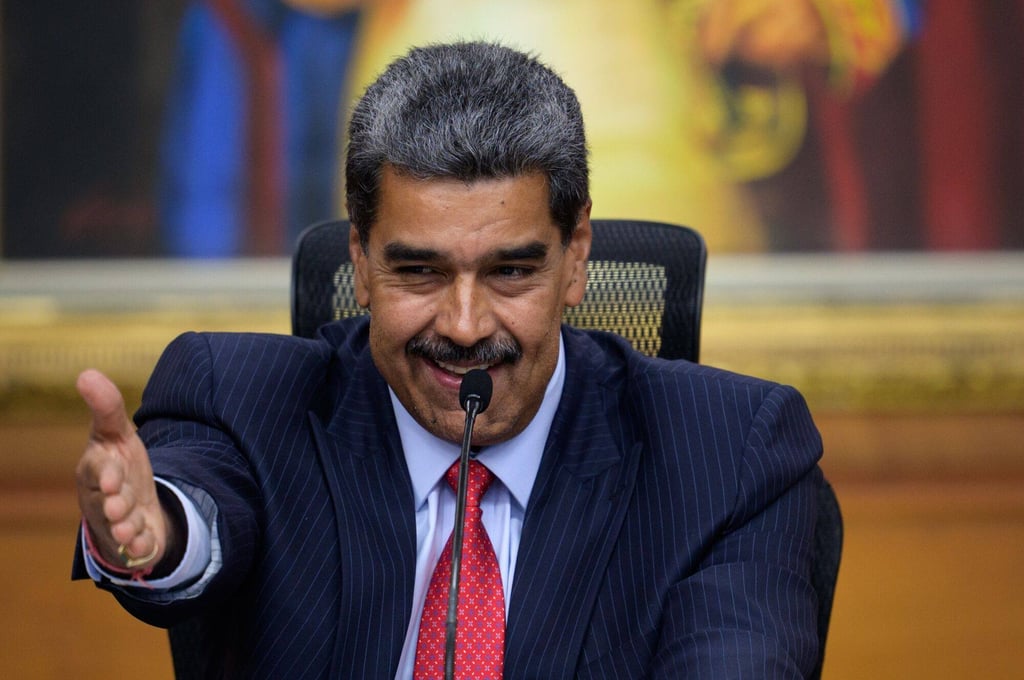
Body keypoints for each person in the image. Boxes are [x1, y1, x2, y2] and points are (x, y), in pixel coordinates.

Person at [73, 41, 824, 678]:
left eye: (510, 272)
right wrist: (159, 533)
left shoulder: (729, 455)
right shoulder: (242, 402)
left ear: (576, 258)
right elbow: (197, 514)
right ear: (361, 260)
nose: (465, 327)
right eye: (420, 272)